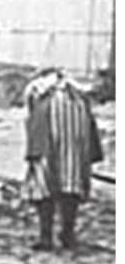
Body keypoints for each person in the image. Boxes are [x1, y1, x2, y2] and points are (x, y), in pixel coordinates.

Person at [22, 68, 103, 251]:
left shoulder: (36, 90)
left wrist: (32, 150)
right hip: (76, 145)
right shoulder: (79, 96)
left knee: (43, 187)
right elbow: (90, 128)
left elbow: (31, 119)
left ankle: (46, 237)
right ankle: (67, 234)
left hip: (48, 139)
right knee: (71, 185)